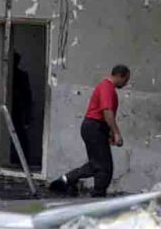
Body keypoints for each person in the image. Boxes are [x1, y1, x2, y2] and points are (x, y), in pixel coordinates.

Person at [49, 65, 130, 199]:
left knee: (97, 164)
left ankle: (66, 180)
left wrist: (109, 131)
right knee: (103, 167)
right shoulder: (107, 88)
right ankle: (97, 196)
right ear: (119, 76)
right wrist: (116, 132)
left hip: (95, 127)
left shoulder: (107, 87)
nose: (126, 83)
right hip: (94, 127)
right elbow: (107, 111)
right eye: (125, 80)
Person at [9, 52, 35, 168]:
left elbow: (27, 96)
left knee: (20, 136)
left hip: (18, 110)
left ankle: (22, 162)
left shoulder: (21, 76)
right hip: (11, 109)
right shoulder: (9, 74)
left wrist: (28, 115)